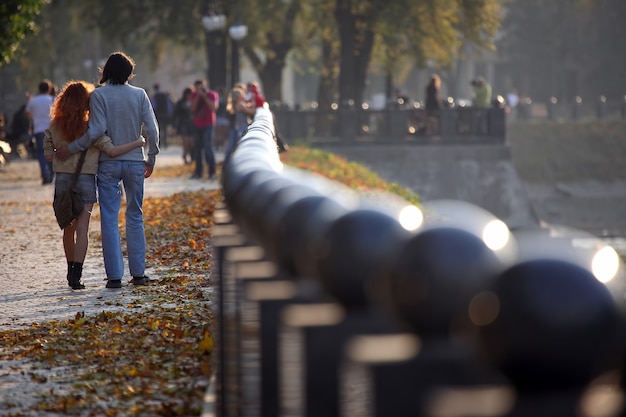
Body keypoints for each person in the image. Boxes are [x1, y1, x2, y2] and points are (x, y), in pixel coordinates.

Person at [56, 51, 159, 289]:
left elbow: (96, 131)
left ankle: (114, 277)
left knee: (110, 218)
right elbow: (152, 130)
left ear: (106, 72)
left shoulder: (99, 96)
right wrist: (151, 158)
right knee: (135, 215)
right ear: (129, 73)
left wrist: (72, 148)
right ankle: (139, 273)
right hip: (134, 161)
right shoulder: (140, 95)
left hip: (108, 164)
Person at [43, 80, 145, 290]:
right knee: (83, 228)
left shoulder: (54, 126)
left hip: (63, 180)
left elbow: (47, 156)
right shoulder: (91, 129)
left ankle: (70, 269)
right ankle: (77, 276)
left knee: (67, 228)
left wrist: (58, 153)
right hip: (86, 179)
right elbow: (113, 151)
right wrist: (138, 143)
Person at [25, 80, 54, 184]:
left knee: (41, 154)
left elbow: (27, 114)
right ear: (49, 89)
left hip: (38, 130)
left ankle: (45, 176)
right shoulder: (52, 100)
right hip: (51, 130)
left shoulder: (33, 101)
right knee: (51, 152)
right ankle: (51, 174)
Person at [189, 79, 219, 180]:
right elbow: (192, 108)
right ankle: (198, 172)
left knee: (208, 148)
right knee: (197, 149)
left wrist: (204, 96)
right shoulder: (193, 95)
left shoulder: (212, 94)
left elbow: (213, 108)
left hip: (208, 124)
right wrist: (198, 96)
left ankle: (212, 172)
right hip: (197, 124)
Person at [224, 86, 255, 163]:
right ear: (238, 97)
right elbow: (251, 112)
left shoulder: (238, 104)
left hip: (240, 129)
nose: (244, 95)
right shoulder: (240, 104)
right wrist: (254, 101)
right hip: (242, 129)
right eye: (242, 94)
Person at [172, 86, 195, 164]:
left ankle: (190, 156)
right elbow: (175, 115)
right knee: (185, 142)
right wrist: (174, 126)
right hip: (183, 124)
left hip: (192, 124)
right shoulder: (180, 103)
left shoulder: (194, 101)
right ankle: (185, 155)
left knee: (191, 143)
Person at [151, 83, 173, 149]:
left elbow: (153, 106)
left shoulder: (155, 96)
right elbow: (169, 106)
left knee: (158, 129)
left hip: (158, 115)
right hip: (165, 114)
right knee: (165, 129)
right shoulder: (164, 95)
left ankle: (159, 143)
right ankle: (165, 143)